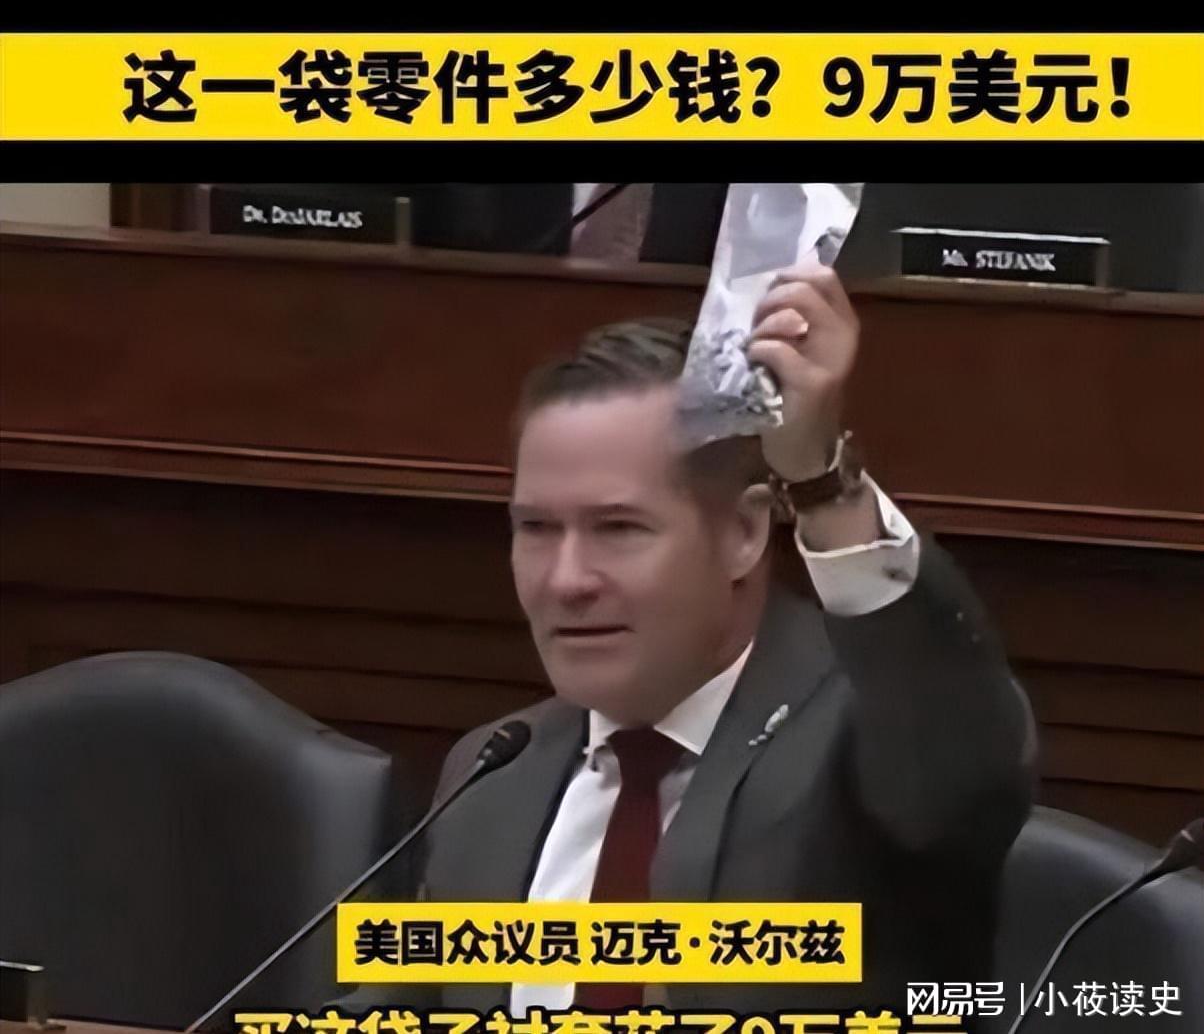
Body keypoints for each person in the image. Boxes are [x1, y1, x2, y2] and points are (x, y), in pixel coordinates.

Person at [340, 261, 1035, 1017]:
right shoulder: (493, 776)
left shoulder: (864, 748)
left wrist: (820, 484)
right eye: (536, 529)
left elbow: (958, 760)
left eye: (618, 529)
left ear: (743, 533)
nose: (566, 580)